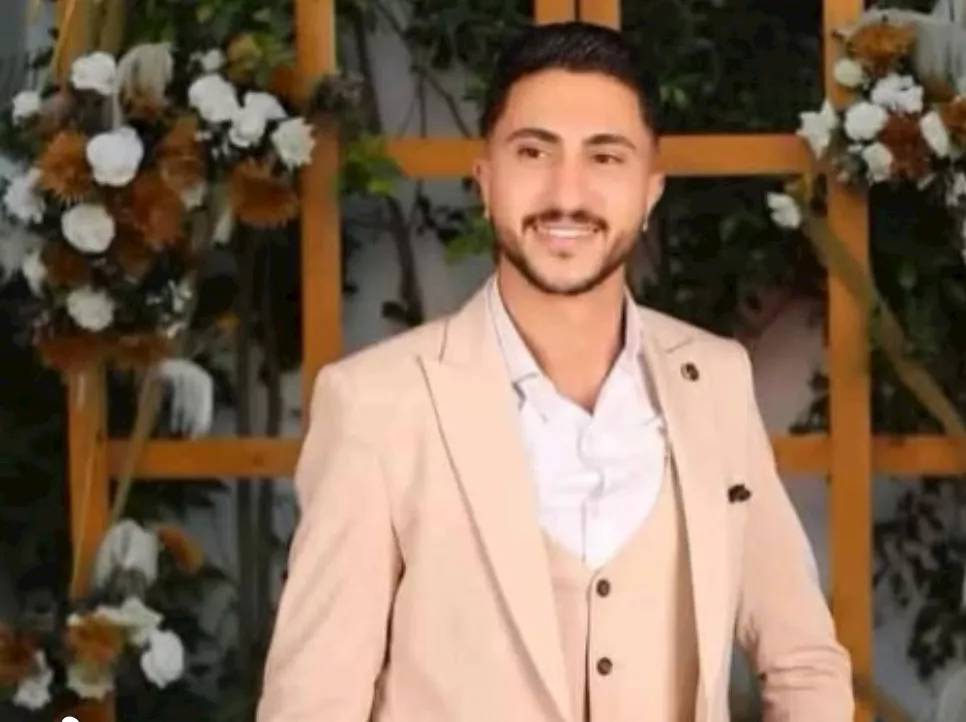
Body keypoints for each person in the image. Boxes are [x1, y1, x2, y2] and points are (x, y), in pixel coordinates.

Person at [256, 20, 853, 722]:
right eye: (534, 152)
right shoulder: (375, 403)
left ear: (650, 190)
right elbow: (312, 703)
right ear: (486, 180)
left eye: (605, 157)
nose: (567, 193)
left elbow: (803, 660)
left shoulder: (714, 382)